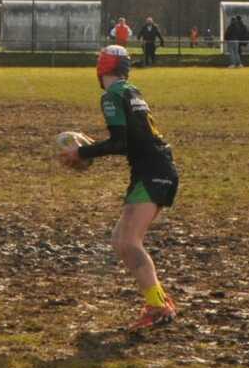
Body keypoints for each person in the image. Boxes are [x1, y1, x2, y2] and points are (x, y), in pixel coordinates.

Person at [58, 44, 180, 331]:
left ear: (101, 69)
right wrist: (91, 148)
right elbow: (129, 140)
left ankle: (159, 306)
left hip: (153, 171)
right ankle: (158, 300)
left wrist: (81, 152)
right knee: (120, 239)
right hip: (155, 168)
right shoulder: (131, 91)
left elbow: (119, 142)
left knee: (128, 241)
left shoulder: (111, 95)